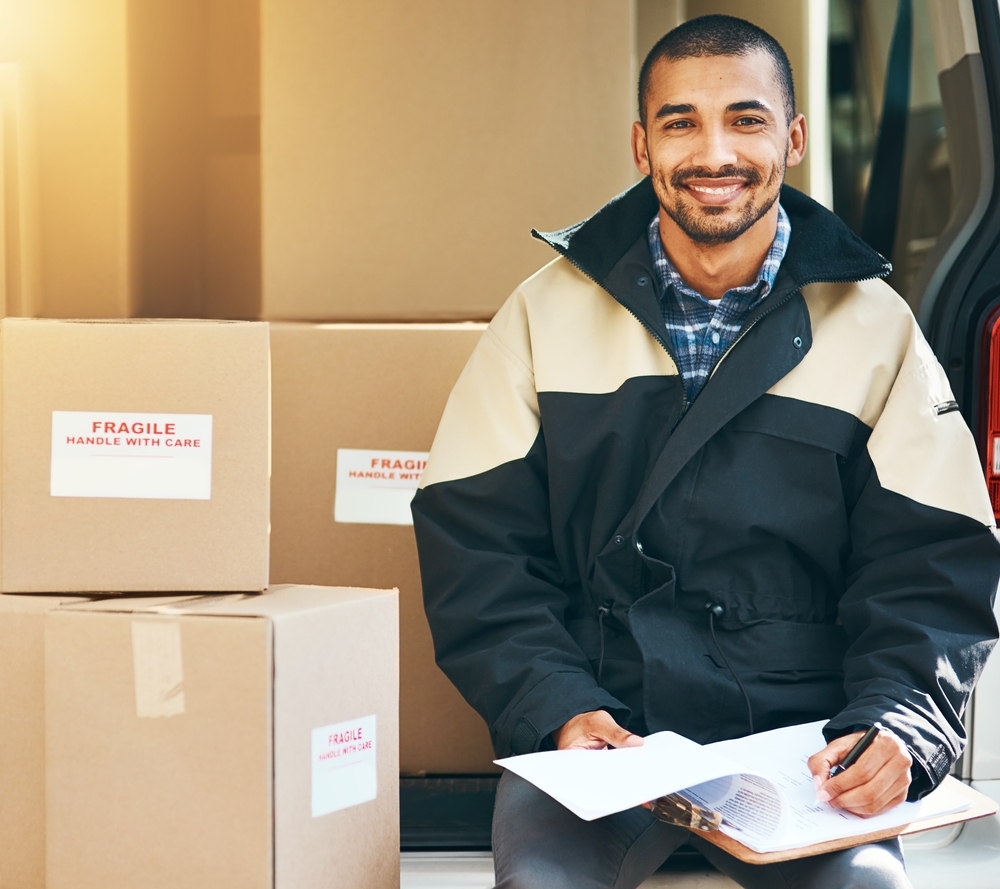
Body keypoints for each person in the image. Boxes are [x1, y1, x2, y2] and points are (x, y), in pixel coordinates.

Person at [411, 15, 1000, 889]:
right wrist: (558, 706)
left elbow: (934, 563)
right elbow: (474, 548)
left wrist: (900, 720)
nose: (714, 151)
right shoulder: (542, 317)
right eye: (682, 122)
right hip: (603, 739)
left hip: (806, 745)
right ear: (643, 144)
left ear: (794, 138)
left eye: (747, 119)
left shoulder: (877, 331)